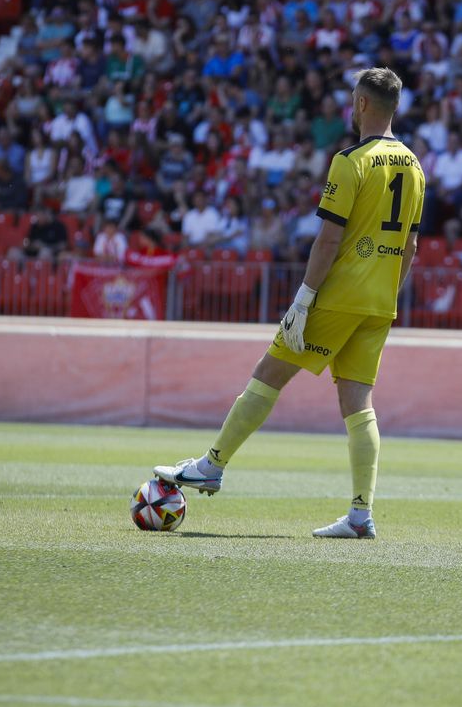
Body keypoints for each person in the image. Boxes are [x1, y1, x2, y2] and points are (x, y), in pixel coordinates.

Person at [153, 68, 427, 539]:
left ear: (361, 104)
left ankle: (212, 465)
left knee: (269, 372)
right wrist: (386, 296)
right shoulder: (416, 167)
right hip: (380, 301)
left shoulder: (351, 160)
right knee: (358, 401)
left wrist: (303, 298)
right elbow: (411, 248)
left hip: (339, 294)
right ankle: (361, 516)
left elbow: (328, 239)